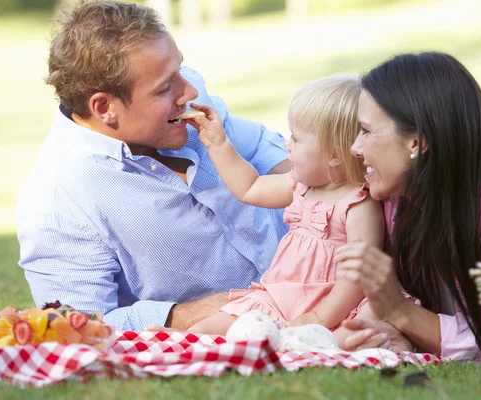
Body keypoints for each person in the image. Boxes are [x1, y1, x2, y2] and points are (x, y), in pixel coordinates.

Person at [16, 1, 290, 332]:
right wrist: (211, 310)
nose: (188, 91)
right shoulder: (57, 199)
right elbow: (80, 325)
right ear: (104, 108)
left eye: (180, 71)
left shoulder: (187, 98)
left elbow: (261, 147)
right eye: (164, 87)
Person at [334, 52, 481, 361]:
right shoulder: (398, 198)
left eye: (366, 131)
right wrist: (395, 332)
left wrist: (400, 311)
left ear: (417, 143)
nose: (355, 147)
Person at [155, 75, 388, 348]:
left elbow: (357, 278)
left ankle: (307, 344)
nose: (287, 145)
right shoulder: (300, 186)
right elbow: (250, 188)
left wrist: (320, 317)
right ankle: (181, 342)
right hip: (279, 298)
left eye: (296, 139)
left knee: (353, 334)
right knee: (212, 326)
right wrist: (218, 145)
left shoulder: (357, 206)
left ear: (335, 154)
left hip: (333, 305)